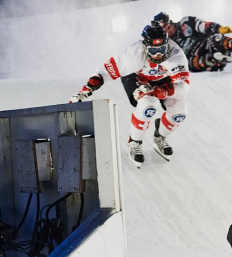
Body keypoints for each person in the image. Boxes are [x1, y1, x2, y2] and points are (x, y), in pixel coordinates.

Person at [69, 23, 191, 168]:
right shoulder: (133, 54)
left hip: (163, 80)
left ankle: (160, 135)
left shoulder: (176, 54)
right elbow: (104, 72)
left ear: (167, 45)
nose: (158, 54)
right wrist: (85, 91)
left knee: (179, 113)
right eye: (153, 50)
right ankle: (134, 141)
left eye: (162, 49)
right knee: (148, 106)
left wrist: (159, 90)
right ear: (145, 47)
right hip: (139, 79)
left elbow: (183, 89)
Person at [152, 11, 232, 72]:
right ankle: (210, 60)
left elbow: (203, 25)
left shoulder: (185, 23)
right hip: (198, 62)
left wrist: (218, 28)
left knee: (215, 38)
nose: (168, 30)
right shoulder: (168, 46)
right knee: (185, 63)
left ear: (170, 22)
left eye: (168, 26)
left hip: (208, 44)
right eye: (165, 30)